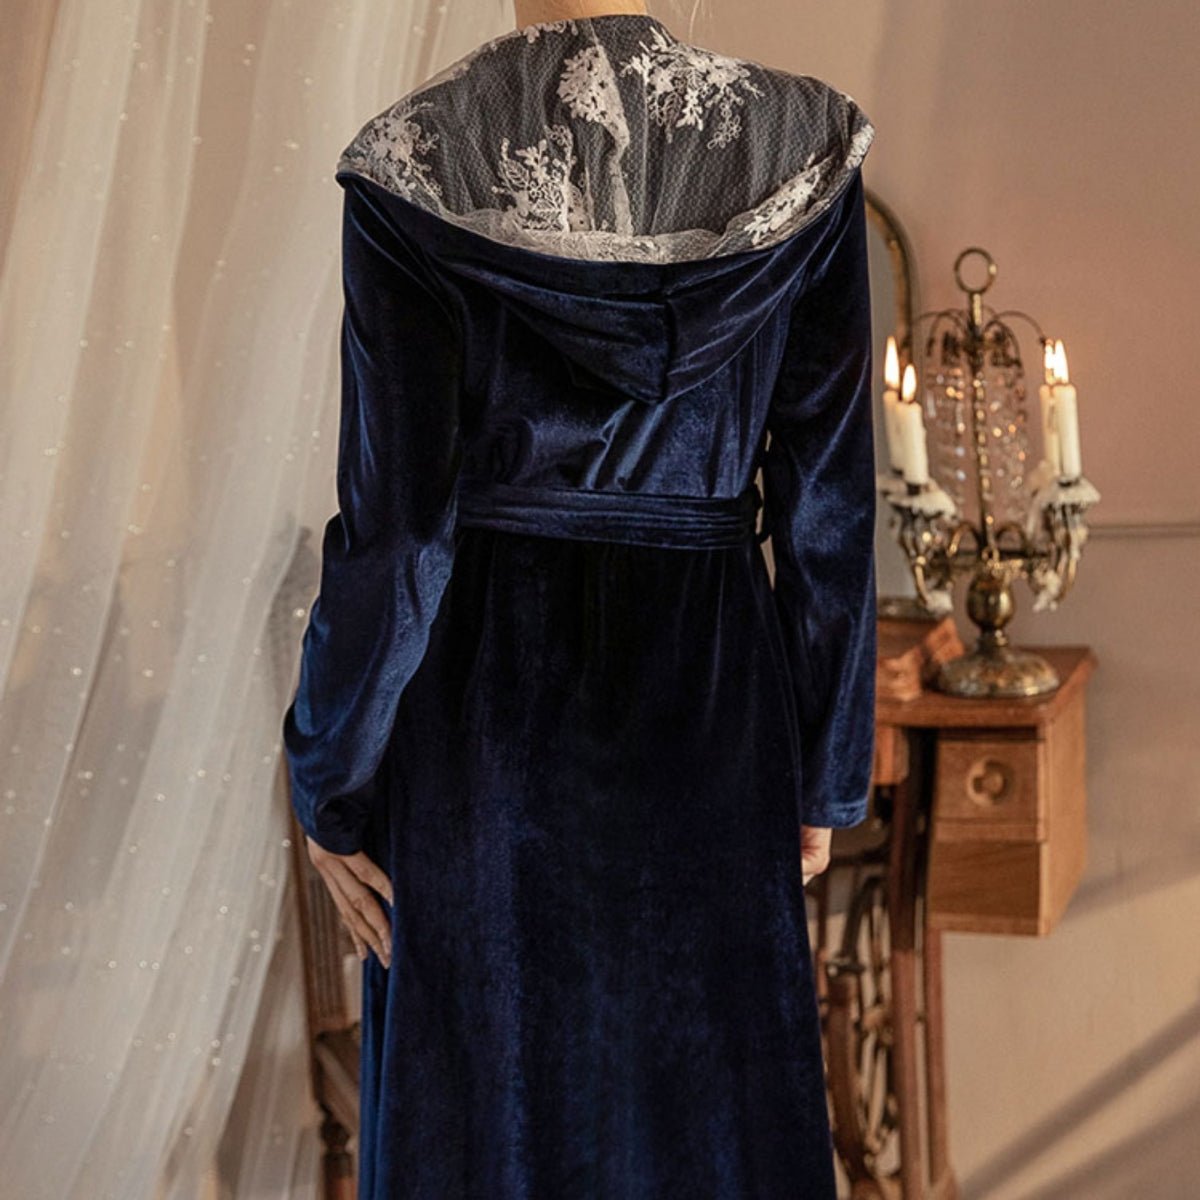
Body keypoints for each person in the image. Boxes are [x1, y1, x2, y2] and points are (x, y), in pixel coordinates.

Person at [282, 2, 877, 1194]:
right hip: (712, 704)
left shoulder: (415, 163)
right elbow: (831, 505)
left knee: (491, 1124)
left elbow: (401, 534)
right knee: (708, 1128)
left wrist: (327, 778)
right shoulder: (804, 154)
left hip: (484, 724)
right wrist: (826, 770)